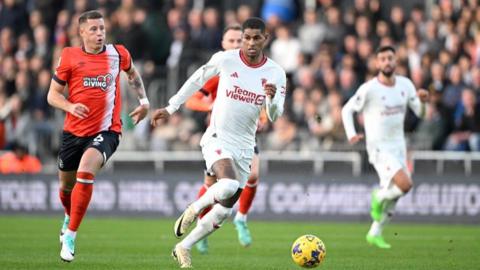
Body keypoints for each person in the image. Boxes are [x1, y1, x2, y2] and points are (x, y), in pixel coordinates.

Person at [151, 17, 286, 268]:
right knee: (228, 184)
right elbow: (197, 79)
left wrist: (272, 99)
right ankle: (194, 208)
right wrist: (171, 107)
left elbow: (276, 114)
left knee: (224, 210)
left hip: (245, 145)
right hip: (218, 136)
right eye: (246, 37)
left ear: (265, 39)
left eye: (257, 37)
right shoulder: (226, 59)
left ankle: (184, 247)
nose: (250, 43)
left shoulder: (276, 73)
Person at [47, 10, 149, 262]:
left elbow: (133, 74)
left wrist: (145, 101)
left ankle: (70, 235)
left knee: (85, 171)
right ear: (81, 32)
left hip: (107, 130)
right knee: (65, 188)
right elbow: (52, 95)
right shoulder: (69, 56)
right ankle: (68, 216)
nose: (99, 33)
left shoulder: (119, 53)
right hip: (73, 132)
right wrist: (70, 106)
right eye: (93, 29)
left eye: (102, 28)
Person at [184, 24, 262, 254]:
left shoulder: (255, 71)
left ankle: (242, 218)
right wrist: (210, 104)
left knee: (253, 174)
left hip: (245, 135)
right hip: (219, 136)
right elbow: (191, 100)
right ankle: (201, 226)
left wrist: (264, 114)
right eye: (233, 41)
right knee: (211, 186)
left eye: (241, 41)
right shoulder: (220, 72)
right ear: (223, 45)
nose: (238, 45)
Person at [341, 45, 429, 249]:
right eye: (383, 59)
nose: (387, 62)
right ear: (377, 63)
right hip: (379, 147)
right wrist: (352, 134)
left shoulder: (405, 85)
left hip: (399, 146)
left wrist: (423, 102)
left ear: (395, 60)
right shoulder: (370, 88)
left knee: (396, 194)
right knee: (405, 185)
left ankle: (375, 232)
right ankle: (377, 196)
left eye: (390, 58)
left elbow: (421, 114)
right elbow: (347, 110)